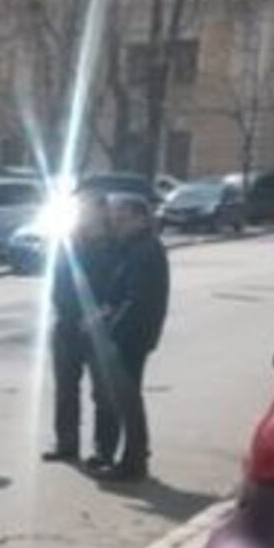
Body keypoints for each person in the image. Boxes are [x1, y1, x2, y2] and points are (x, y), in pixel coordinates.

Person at [88, 195, 169, 482]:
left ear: (141, 218)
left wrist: (110, 330)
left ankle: (134, 461)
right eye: (114, 219)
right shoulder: (132, 247)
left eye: (122, 219)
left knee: (127, 400)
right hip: (128, 333)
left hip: (131, 337)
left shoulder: (145, 251)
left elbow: (137, 301)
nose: (116, 224)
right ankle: (128, 457)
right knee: (121, 398)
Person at [43, 191, 115, 465]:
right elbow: (57, 279)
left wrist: (101, 315)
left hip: (101, 328)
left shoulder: (115, 243)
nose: (83, 213)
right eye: (80, 209)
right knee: (65, 387)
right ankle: (66, 443)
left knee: (104, 392)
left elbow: (117, 287)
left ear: (101, 210)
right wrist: (62, 309)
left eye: (88, 208)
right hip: (67, 323)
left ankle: (103, 450)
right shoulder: (69, 240)